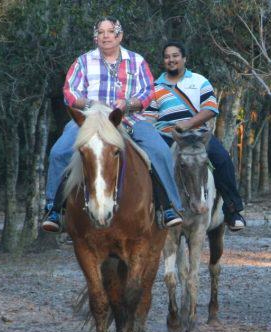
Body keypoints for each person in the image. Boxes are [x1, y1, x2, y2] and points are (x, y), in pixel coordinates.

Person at [42, 17, 183, 232]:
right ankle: (54, 209)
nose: (105, 36)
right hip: (89, 121)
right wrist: (90, 103)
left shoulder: (136, 61)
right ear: (95, 37)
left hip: (128, 119)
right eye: (101, 32)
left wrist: (128, 104)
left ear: (120, 35)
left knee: (160, 150)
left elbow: (148, 93)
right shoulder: (83, 61)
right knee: (58, 152)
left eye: (110, 31)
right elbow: (69, 93)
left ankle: (169, 206)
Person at [144, 41, 246, 231]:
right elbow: (149, 118)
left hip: (198, 134)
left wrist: (187, 124)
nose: (171, 60)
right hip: (167, 136)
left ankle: (232, 211)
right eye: (167, 57)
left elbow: (210, 109)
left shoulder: (199, 81)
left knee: (223, 160)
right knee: (151, 164)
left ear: (184, 59)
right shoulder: (154, 87)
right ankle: (161, 210)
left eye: (175, 56)